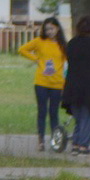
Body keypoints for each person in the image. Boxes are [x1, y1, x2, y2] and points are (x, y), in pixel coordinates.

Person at [17, 17, 67, 150]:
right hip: (41, 83)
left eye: (52, 28)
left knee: (54, 112)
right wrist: (36, 59)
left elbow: (69, 61)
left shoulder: (62, 45)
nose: (49, 32)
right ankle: (40, 141)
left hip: (57, 83)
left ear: (57, 28)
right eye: (47, 29)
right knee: (42, 111)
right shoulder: (40, 42)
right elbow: (22, 49)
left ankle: (55, 140)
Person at [60, 16, 90, 155]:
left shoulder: (72, 44)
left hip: (72, 83)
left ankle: (75, 143)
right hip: (89, 84)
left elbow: (69, 60)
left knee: (78, 116)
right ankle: (83, 146)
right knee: (88, 115)